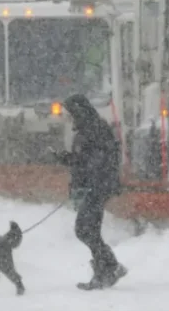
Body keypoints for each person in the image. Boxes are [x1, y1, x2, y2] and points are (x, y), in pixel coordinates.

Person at [54, 93, 127, 290]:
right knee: (89, 231)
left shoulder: (94, 129)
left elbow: (96, 161)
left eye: (70, 113)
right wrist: (67, 159)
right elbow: (84, 160)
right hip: (94, 186)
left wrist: (88, 179)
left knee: (85, 230)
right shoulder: (88, 129)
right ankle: (109, 268)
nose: (68, 118)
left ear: (78, 111)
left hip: (98, 187)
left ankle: (108, 269)